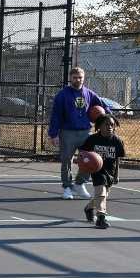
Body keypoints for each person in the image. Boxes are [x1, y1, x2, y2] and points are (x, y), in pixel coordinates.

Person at [48, 66, 110, 200]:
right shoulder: (62, 94)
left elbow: (102, 107)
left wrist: (110, 116)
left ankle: (80, 184)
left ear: (84, 78)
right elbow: (56, 115)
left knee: (90, 159)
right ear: (70, 78)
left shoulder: (89, 93)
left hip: (85, 132)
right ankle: (67, 187)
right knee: (66, 161)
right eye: (75, 77)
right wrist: (53, 134)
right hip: (67, 132)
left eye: (80, 77)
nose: (78, 79)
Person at [79, 114, 125, 230]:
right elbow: (82, 153)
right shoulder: (92, 139)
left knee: (102, 195)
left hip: (110, 171)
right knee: (101, 192)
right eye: (106, 124)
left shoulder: (117, 141)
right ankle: (101, 218)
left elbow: (117, 159)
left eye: (112, 125)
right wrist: (83, 163)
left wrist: (116, 175)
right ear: (99, 126)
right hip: (97, 170)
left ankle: (89, 207)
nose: (110, 127)